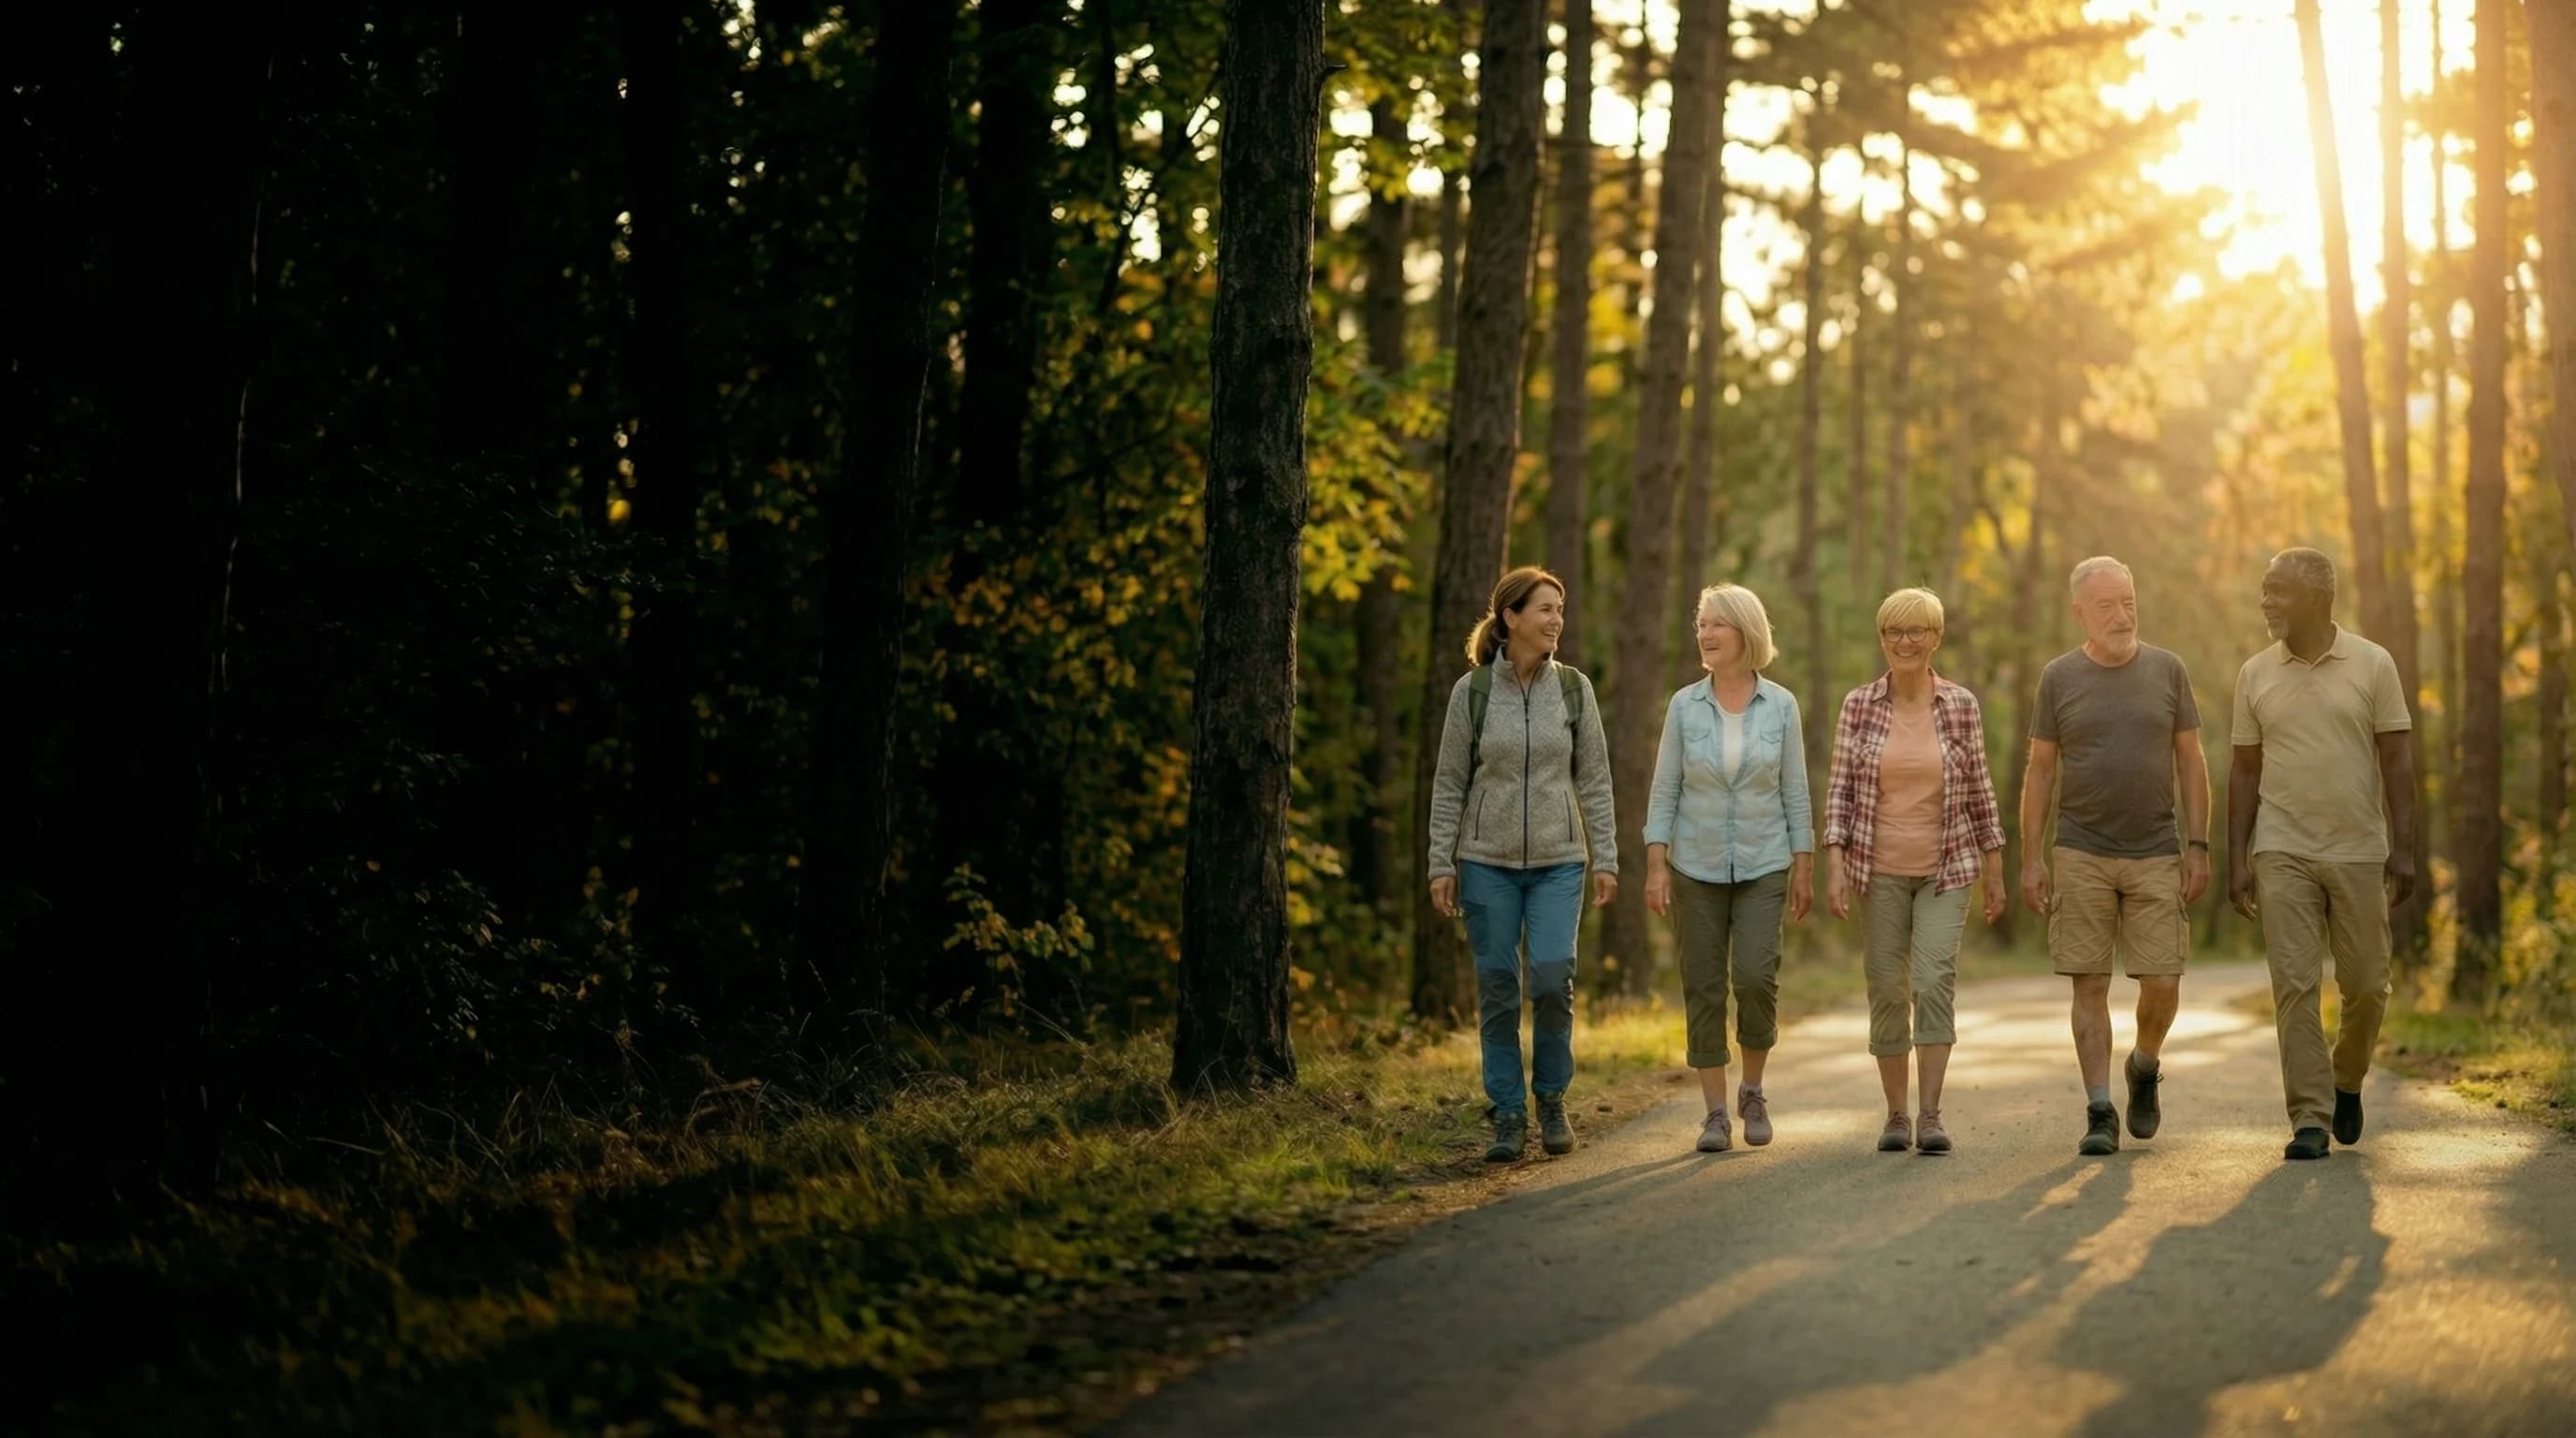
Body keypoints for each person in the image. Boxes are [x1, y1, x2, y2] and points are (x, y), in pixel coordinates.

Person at [2227, 548, 2415, 1162]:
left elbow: (2397, 760)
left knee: (2368, 985)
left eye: (2277, 591)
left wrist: (2404, 847)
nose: (2266, 602)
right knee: (2295, 985)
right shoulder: (2255, 672)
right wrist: (2238, 856)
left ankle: (2345, 1080)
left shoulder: (2372, 664)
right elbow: (2243, 769)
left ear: (2317, 597)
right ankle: (2308, 1117)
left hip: (2359, 847)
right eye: (2265, 590)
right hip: (2282, 848)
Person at [2020, 556, 2212, 1157]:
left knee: (2162, 980)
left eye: (2128, 601)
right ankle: (2099, 1108)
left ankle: (2145, 1065)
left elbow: (2191, 761)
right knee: (2090, 982)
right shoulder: (2059, 677)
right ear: (2081, 613)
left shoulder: (2168, 670)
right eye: (2107, 606)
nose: (2122, 615)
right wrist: (2031, 857)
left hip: (2157, 848)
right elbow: (2041, 770)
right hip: (2080, 849)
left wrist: (2199, 846)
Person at [1427, 565, 1619, 1163]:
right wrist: (1441, 861)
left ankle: (1552, 1099)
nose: (1556, 620)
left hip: (1561, 861)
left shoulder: (1574, 690)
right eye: (1545, 609)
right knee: (1498, 986)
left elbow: (1594, 780)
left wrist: (1606, 856)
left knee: (1553, 977)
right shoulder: (1473, 693)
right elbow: (1450, 782)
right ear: (1511, 618)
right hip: (1485, 862)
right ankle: (1508, 1114)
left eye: (1560, 610)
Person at [1823, 587, 2008, 1155]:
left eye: (1917, 631)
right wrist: (1834, 862)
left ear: (1936, 638)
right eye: (1894, 632)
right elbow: (1840, 792)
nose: (1905, 642)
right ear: (1882, 639)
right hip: (1876, 868)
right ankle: (1896, 1115)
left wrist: (1995, 868)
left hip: (1946, 867)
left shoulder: (1959, 704)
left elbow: (1979, 785)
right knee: (1885, 987)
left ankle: (1930, 1114)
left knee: (1932, 981)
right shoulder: (1859, 704)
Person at [1643, 584, 1814, 1153]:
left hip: (1765, 862)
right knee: (1705, 985)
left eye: (1718, 624)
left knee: (1756, 978)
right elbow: (1665, 787)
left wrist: (1804, 864)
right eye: (1701, 624)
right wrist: (1656, 864)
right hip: (1694, 864)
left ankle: (1754, 1091)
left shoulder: (1782, 705)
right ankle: (1715, 1113)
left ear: (1747, 631)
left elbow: (1795, 789)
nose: (1706, 633)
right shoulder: (1684, 705)